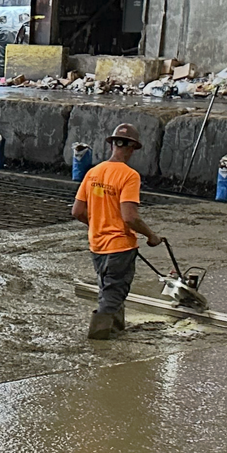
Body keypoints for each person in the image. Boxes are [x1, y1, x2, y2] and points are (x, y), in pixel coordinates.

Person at [70, 124, 163, 339]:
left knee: (109, 290)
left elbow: (77, 211)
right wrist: (151, 235)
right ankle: (99, 340)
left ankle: (117, 332)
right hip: (120, 247)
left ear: (113, 144)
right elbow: (130, 217)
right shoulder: (129, 176)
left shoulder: (93, 172)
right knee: (113, 295)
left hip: (97, 245)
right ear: (131, 147)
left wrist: (98, 225)